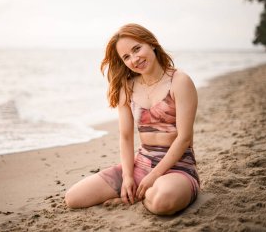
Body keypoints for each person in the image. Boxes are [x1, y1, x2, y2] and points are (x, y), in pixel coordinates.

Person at [65, 23, 199, 215]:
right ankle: (141, 192)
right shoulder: (126, 88)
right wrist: (128, 176)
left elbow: (184, 138)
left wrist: (154, 175)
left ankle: (141, 197)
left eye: (137, 49)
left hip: (178, 169)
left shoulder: (180, 81)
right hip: (141, 165)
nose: (134, 59)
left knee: (163, 201)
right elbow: (126, 137)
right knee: (74, 198)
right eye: (126, 57)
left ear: (151, 43)